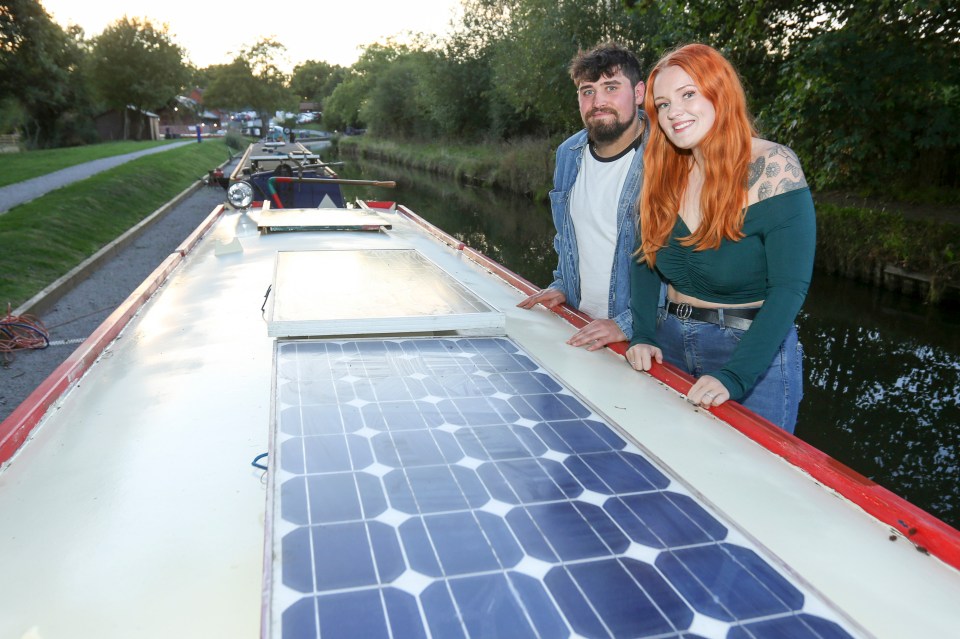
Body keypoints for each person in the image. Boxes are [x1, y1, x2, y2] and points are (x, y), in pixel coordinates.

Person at [625, 43, 815, 433]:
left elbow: (789, 288)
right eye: (662, 104)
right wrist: (642, 334)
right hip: (670, 342)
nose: (674, 111)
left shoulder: (772, 168)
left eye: (688, 94)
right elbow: (644, 259)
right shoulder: (662, 172)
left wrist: (736, 376)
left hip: (751, 354)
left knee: (754, 484)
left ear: (720, 93)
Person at [517, 41, 649, 351]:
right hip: (582, 327)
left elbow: (679, 262)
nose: (598, 101)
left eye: (611, 87)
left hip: (640, 340)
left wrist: (627, 323)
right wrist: (563, 285)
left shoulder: (669, 156)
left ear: (639, 93)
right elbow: (567, 238)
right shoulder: (568, 154)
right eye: (588, 91)